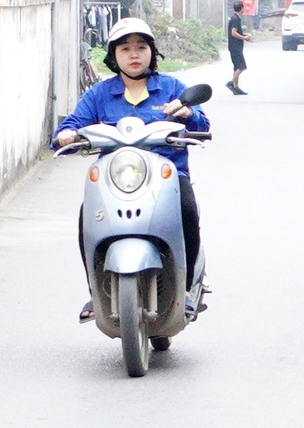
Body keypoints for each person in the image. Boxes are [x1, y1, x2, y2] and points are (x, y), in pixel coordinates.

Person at [57, 18, 210, 319]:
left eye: (141, 47)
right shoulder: (100, 94)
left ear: (152, 52)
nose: (134, 54)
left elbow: (202, 122)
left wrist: (188, 113)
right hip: (115, 178)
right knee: (86, 217)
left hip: (169, 175)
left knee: (187, 209)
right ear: (113, 56)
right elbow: (72, 124)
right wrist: (66, 134)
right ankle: (95, 291)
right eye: (125, 48)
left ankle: (188, 287)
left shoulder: (172, 88)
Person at [223, 5, 250, 95]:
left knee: (236, 67)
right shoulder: (235, 19)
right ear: (242, 9)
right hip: (235, 47)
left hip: (234, 46)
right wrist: (244, 38)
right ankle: (231, 83)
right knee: (242, 66)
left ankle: (236, 87)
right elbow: (233, 33)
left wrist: (245, 34)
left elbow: (236, 32)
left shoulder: (235, 18)